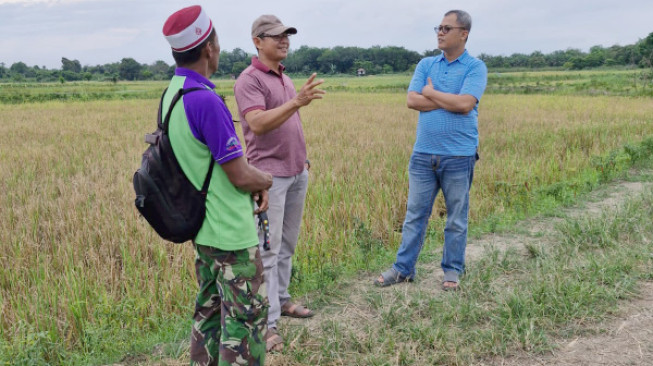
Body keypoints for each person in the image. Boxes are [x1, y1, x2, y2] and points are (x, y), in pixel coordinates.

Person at [161, 6, 273, 365]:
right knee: (246, 320)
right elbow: (239, 174)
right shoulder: (207, 101)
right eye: (218, 42)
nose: (220, 48)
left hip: (204, 231)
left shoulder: (173, 94)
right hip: (231, 234)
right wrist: (265, 179)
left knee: (208, 316)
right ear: (208, 48)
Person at [374, 10, 487, 291]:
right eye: (439, 27)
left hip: (459, 155)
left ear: (464, 34)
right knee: (415, 215)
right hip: (423, 154)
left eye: (447, 28)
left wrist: (432, 94)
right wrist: (450, 99)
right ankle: (403, 269)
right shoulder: (426, 64)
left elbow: (465, 105)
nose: (440, 32)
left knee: (456, 218)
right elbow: (412, 101)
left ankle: (452, 271)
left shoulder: (475, 67)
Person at [233, 14, 325, 353]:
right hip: (269, 178)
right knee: (268, 252)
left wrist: (303, 160)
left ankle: (283, 299)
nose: (284, 41)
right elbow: (257, 124)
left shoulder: (283, 77)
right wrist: (297, 101)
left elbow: (288, 123)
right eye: (276, 36)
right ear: (258, 41)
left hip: (297, 171)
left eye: (286, 35)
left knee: (287, 244)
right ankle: (268, 323)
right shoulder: (249, 80)